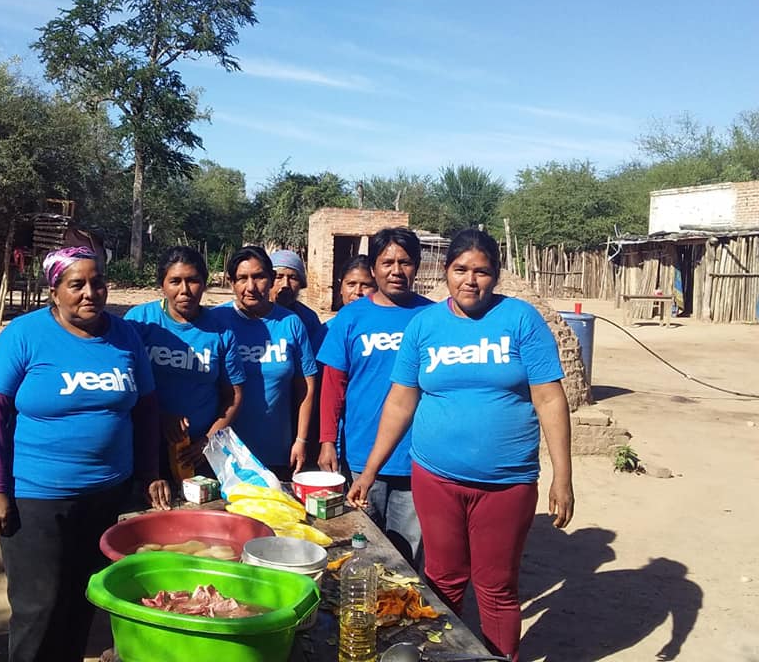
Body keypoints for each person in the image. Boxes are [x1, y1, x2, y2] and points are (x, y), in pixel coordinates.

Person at [346, 228, 574, 661]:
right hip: (436, 478)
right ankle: (442, 654)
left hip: (506, 482)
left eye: (482, 271)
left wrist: (563, 477)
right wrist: (370, 469)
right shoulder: (425, 325)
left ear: (497, 275)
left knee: (496, 588)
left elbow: (549, 398)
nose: (471, 280)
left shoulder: (520, 320)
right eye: (460, 270)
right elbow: (400, 400)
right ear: (446, 273)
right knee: (442, 578)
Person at [0, 246, 171, 662]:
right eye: (76, 284)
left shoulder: (125, 336)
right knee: (38, 607)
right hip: (37, 498)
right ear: (54, 291)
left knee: (84, 599)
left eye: (97, 281)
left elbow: (146, 408)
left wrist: (148, 472)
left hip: (105, 494)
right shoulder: (24, 335)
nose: (89, 292)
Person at [317, 228, 432, 565]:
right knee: (361, 546)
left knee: (408, 552)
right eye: (388, 262)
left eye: (406, 262)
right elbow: (332, 386)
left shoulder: (433, 317)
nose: (397, 270)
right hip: (362, 454)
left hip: (417, 457)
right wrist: (326, 440)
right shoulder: (351, 318)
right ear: (375, 267)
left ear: (417, 266)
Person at [124, 246, 245, 475]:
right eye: (175, 281)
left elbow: (234, 395)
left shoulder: (220, 332)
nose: (185, 290)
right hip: (145, 446)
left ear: (205, 283)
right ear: (162, 285)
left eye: (193, 280)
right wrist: (160, 417)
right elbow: (124, 386)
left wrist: (209, 441)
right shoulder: (139, 322)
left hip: (198, 454)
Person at [208, 246, 318, 478]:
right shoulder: (216, 320)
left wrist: (301, 440)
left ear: (270, 279)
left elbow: (306, 388)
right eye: (242, 278)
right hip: (225, 451)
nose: (250, 286)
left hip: (278, 450)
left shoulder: (291, 322)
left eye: (258, 277)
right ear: (231, 282)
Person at [269, 249, 326, 353]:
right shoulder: (256, 315)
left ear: (301, 283)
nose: (285, 284)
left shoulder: (308, 318)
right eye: (279, 277)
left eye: (292, 278)